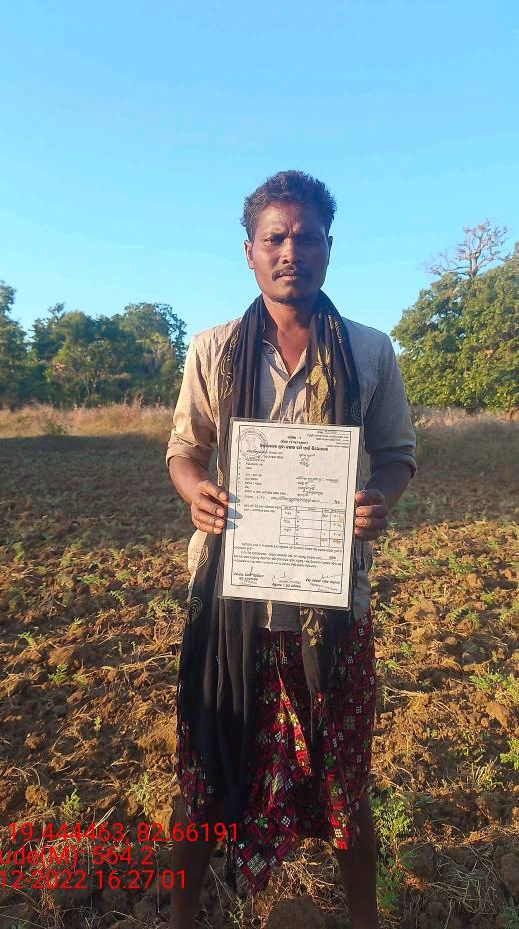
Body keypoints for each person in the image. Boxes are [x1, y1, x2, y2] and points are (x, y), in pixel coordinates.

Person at [165, 170, 417, 929]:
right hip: (231, 602)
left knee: (344, 784)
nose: (290, 251)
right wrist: (196, 493)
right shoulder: (213, 350)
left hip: (331, 603)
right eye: (274, 237)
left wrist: (376, 500)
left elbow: (396, 455)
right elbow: (185, 450)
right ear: (248, 251)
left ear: (329, 249)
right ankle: (180, 918)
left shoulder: (370, 352)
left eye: (307, 237)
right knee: (206, 775)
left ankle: (364, 918)